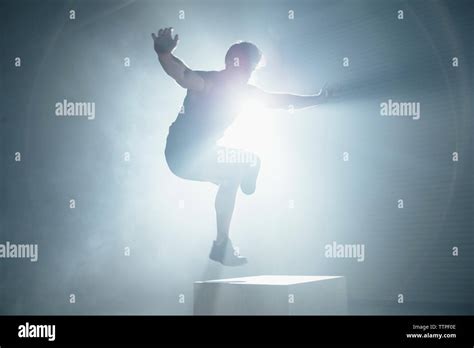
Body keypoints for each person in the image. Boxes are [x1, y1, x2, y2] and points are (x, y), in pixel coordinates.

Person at [152, 27, 330, 266]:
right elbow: (182, 75)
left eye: (251, 70)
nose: (248, 75)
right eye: (247, 68)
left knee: (242, 165)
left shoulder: (246, 93)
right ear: (234, 65)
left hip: (195, 157)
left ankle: (221, 244)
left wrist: (316, 99)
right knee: (242, 165)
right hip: (181, 152)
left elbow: (281, 101)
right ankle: (224, 236)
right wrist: (164, 54)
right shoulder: (211, 82)